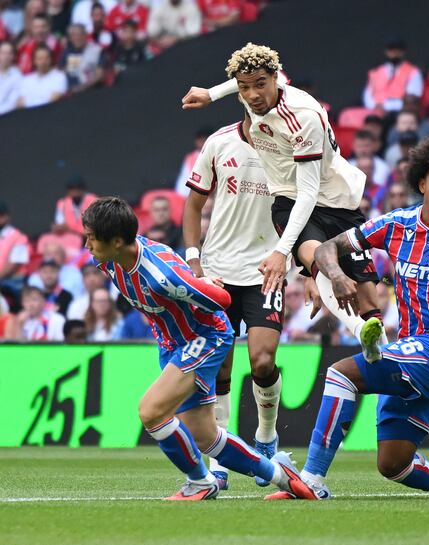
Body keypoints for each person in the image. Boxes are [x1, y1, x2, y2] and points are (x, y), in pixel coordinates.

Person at [267, 134, 429, 501]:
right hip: (410, 350)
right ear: (421, 183)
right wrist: (337, 277)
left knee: (341, 374)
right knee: (394, 465)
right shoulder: (396, 224)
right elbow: (326, 249)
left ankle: (312, 478)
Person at [82, 196, 316, 501]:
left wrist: (205, 284)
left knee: (151, 411)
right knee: (205, 437)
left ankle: (200, 483)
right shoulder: (107, 259)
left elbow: (223, 301)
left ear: (116, 241)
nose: (87, 245)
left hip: (205, 338)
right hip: (172, 342)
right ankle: (279, 475)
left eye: (91, 238)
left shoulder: (161, 276)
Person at [181, 43, 387, 360]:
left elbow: (309, 193)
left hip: (332, 197)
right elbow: (247, 78)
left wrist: (280, 253)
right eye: (244, 89)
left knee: (369, 297)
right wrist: (211, 94)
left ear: (276, 80)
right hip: (288, 200)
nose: (252, 96)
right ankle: (360, 332)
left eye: (260, 85)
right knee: (319, 260)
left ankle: (379, 345)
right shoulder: (249, 103)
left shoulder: (304, 117)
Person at [183, 113, 321, 489]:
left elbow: (308, 210)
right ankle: (220, 461)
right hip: (216, 272)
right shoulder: (219, 142)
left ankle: (265, 434)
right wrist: (194, 262)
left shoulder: (293, 148)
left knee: (262, 361)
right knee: (220, 370)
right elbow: (193, 206)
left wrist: (310, 272)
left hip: (267, 270)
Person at [362, 37, 423, 114]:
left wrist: (386, 106)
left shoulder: (413, 71)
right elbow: (368, 96)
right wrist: (376, 107)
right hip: (375, 111)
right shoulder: (375, 72)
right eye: (391, 50)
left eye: (398, 50)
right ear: (386, 52)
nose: (395, 53)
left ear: (403, 52)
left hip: (399, 112)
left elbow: (413, 98)